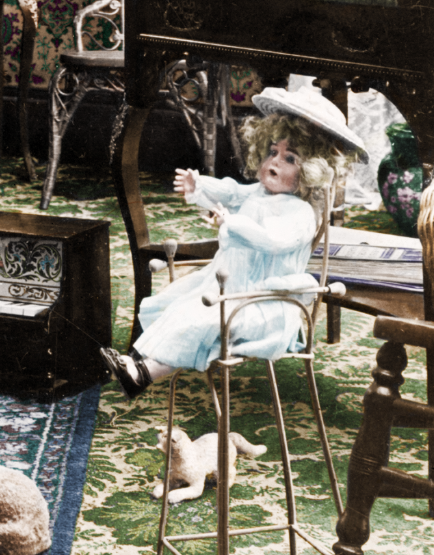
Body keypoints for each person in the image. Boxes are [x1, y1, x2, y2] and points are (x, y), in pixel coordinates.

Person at [100, 85, 367, 400]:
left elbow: (273, 240)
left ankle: (140, 374)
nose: (276, 161)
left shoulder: (301, 214)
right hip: (229, 287)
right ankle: (138, 364)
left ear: (310, 171)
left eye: (290, 158)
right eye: (273, 151)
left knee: (200, 318)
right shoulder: (258, 192)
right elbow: (230, 191)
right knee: (178, 305)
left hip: (266, 301)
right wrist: (199, 185)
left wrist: (234, 223)